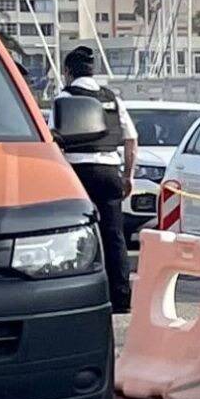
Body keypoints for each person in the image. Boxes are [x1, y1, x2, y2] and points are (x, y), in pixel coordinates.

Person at [53, 45, 139, 308]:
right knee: (114, 235)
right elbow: (131, 140)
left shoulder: (64, 98)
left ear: (68, 72)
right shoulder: (111, 98)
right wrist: (128, 176)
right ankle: (121, 297)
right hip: (109, 171)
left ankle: (78, 297)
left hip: (77, 173)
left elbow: (52, 140)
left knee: (74, 234)